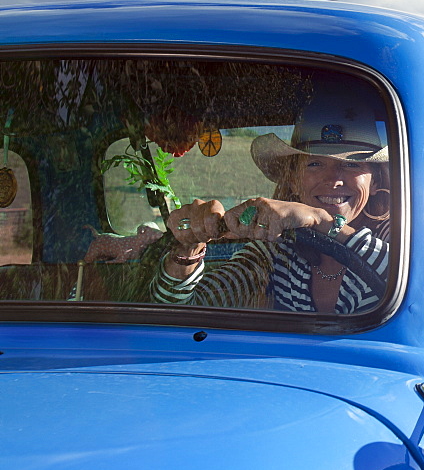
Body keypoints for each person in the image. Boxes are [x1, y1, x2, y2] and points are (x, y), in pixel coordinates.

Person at [151, 81, 391, 314]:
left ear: (376, 181)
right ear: (294, 180)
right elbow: (181, 310)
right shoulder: (276, 249)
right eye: (315, 163)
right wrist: (189, 245)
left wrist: (319, 220)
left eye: (350, 164)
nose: (334, 179)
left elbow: (418, 286)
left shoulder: (399, 237)